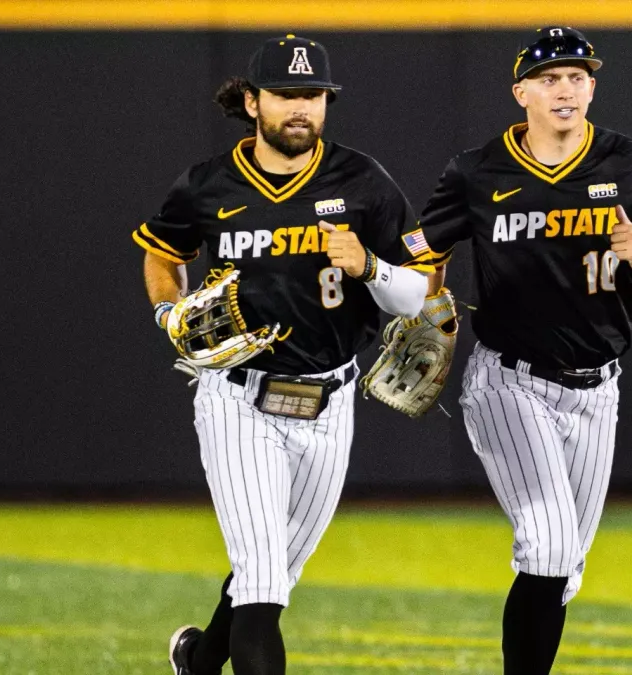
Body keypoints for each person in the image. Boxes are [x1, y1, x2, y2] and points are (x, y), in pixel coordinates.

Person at [400, 26, 632, 674]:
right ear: (521, 92)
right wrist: (428, 315)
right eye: (548, 78)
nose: (564, 88)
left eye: (576, 76)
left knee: (562, 569)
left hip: (598, 388)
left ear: (593, 87)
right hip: (509, 379)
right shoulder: (477, 170)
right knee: (546, 546)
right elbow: (422, 252)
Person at [132, 34, 427, 675]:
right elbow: (162, 254)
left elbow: (415, 294)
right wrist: (167, 310)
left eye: (314, 96)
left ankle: (200, 658)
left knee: (269, 575)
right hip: (239, 399)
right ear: (250, 100)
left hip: (331, 401)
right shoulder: (206, 185)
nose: (302, 108)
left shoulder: (363, 180)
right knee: (263, 582)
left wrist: (370, 265)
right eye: (287, 95)